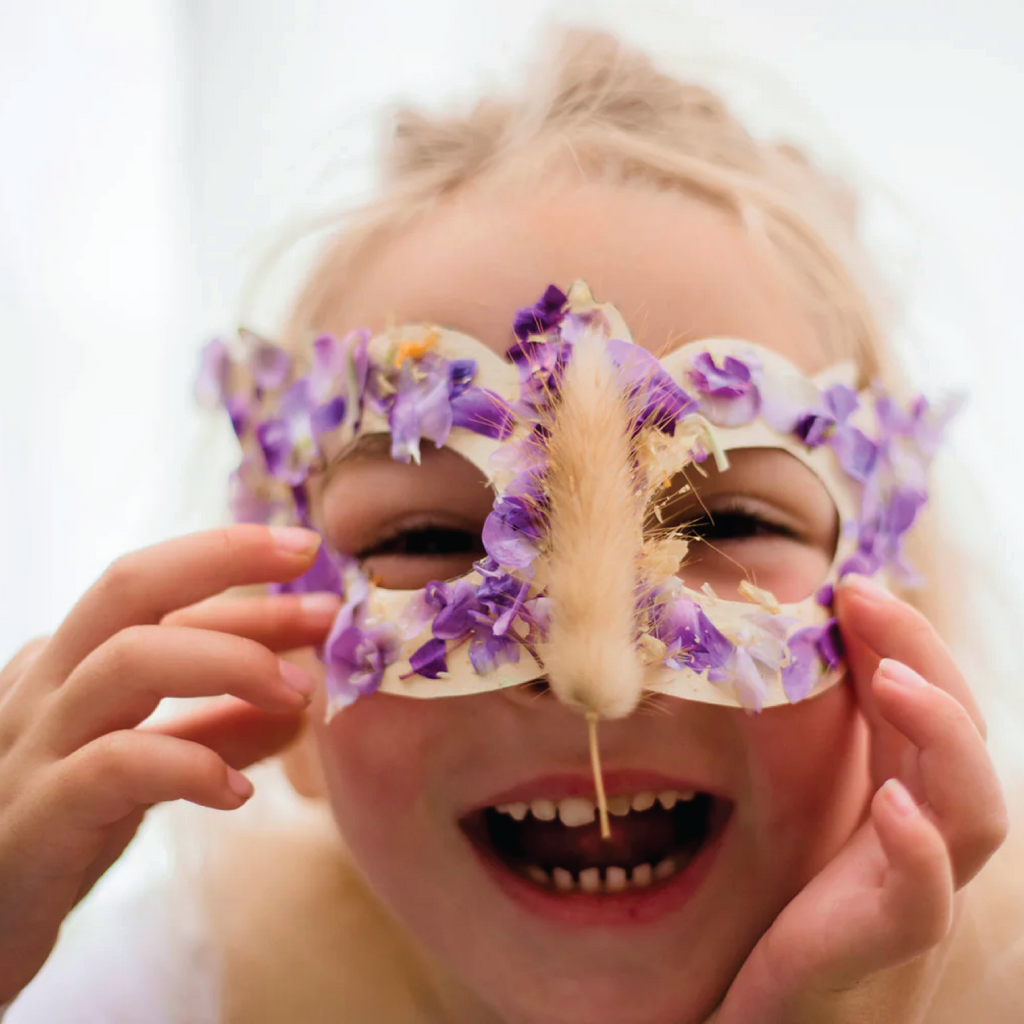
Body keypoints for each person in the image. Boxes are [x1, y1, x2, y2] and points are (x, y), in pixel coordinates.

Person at [1, 25, 1021, 1024]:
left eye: (722, 518)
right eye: (425, 541)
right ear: (290, 673)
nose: (586, 672)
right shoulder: (172, 992)